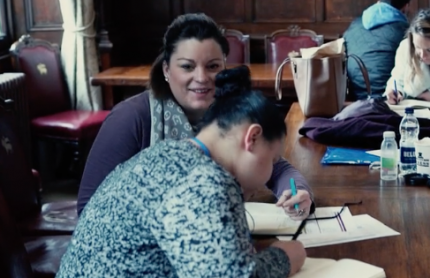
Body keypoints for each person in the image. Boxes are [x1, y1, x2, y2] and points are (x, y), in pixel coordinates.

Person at [31, 66, 307, 278]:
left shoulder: (165, 157)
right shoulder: (203, 178)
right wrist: (286, 256)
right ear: (251, 139)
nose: (269, 174)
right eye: (272, 159)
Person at [77, 13, 313, 219]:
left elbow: (275, 165)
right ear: (167, 70)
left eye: (212, 66)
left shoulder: (232, 112)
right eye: (187, 67)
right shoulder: (130, 118)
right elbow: (89, 210)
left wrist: (298, 192)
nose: (201, 78)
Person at [344, 0, 412, 99]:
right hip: (390, 99)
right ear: (405, 7)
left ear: (378, 2)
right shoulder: (407, 31)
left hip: (354, 98)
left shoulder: (354, 25)